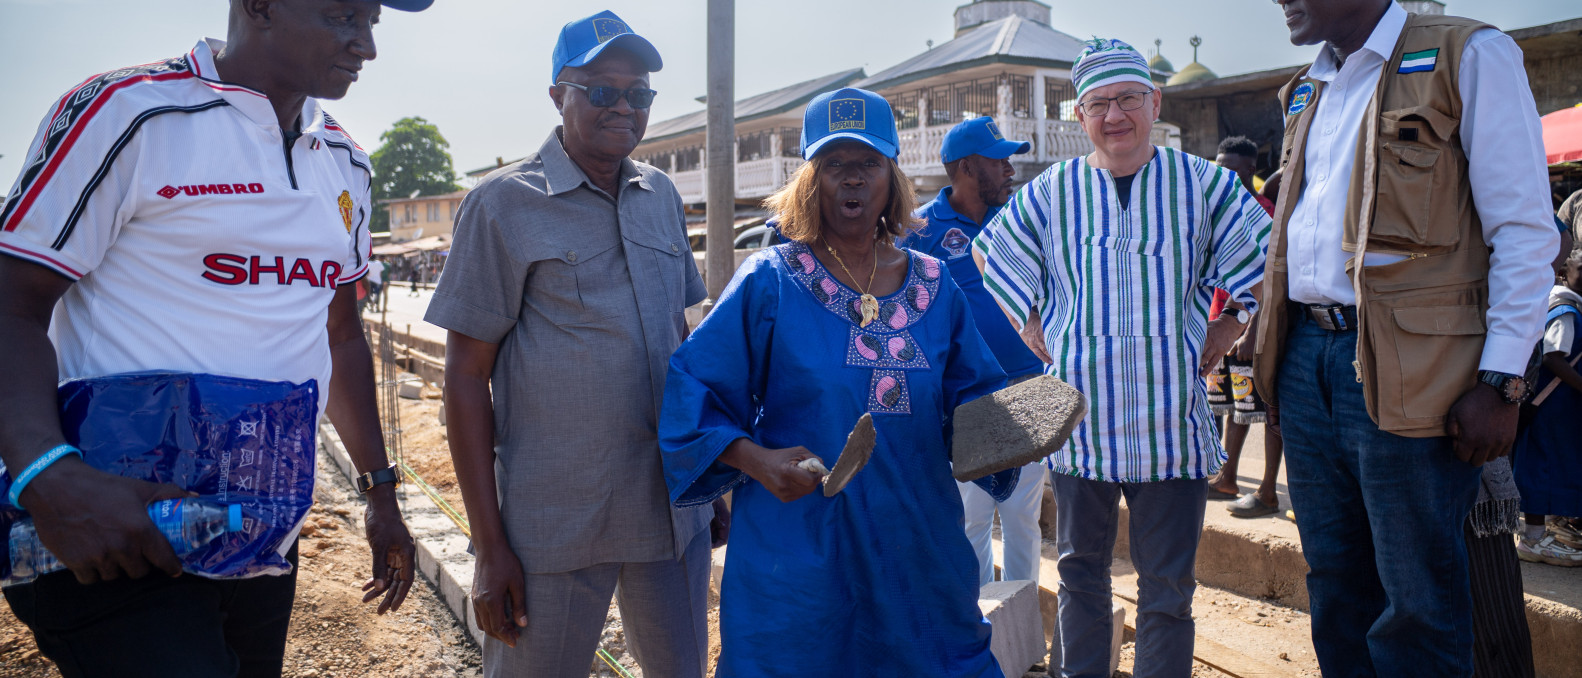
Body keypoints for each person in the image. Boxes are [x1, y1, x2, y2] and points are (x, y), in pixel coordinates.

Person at [0, 1, 425, 675]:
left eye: (371, 21)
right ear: (258, 5)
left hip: (255, 529)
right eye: (344, 15)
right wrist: (47, 478)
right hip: (117, 528)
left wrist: (380, 495)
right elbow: (11, 302)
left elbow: (339, 335)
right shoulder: (126, 113)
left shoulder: (345, 161)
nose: (365, 45)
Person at [661, 87, 1016, 677]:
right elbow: (691, 391)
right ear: (810, 180)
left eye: (869, 163)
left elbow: (973, 398)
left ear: (892, 177)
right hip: (800, 557)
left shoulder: (935, 285)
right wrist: (754, 460)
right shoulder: (769, 281)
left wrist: (1017, 426)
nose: (852, 180)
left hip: (916, 551)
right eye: (834, 165)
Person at [1254, 1, 1561, 675]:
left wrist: (1502, 381)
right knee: (1335, 587)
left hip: (1417, 364)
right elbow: (1295, 241)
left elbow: (1526, 232)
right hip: (1309, 359)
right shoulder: (1308, 87)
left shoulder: (1468, 55)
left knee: (1417, 602)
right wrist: (1277, 363)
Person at [426, 11, 722, 678]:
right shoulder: (502, 206)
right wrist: (489, 545)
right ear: (558, 94)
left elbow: (681, 343)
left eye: (639, 93)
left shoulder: (662, 197)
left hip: (668, 509)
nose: (624, 107)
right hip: (554, 524)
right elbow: (466, 376)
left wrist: (710, 476)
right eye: (601, 90)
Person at [974, 38, 1270, 678]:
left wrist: (1231, 323)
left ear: (1154, 102)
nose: (1115, 116)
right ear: (1079, 116)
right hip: (1082, 424)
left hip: (1171, 421)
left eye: (1128, 99)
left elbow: (1269, 255)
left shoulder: (1205, 182)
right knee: (1081, 576)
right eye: (1098, 103)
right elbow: (991, 256)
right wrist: (1029, 322)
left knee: (1168, 589)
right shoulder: (1051, 191)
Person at [902, 115, 1049, 587]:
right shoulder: (919, 231)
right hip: (966, 401)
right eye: (999, 160)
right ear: (966, 167)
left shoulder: (1022, 221)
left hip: (1030, 390)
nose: (1010, 170)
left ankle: (1022, 630)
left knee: (1025, 521)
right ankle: (983, 627)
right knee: (971, 520)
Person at [1205, 136, 1284, 519]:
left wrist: (1251, 329)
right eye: (1219, 168)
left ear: (1251, 172)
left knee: (1266, 408)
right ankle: (1227, 475)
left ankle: (1269, 489)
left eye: (1232, 171)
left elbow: (1272, 278)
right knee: (1233, 406)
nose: (1224, 177)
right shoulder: (1214, 210)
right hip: (1221, 322)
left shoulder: (1266, 212)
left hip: (1253, 326)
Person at [1514, 241, 1582, 567]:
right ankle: (1534, 538)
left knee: (1551, 465)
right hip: (1551, 406)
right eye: (1580, 270)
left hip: (1558, 407)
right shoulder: (1566, 309)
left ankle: (1548, 528)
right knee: (1543, 467)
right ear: (1564, 273)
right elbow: (1555, 358)